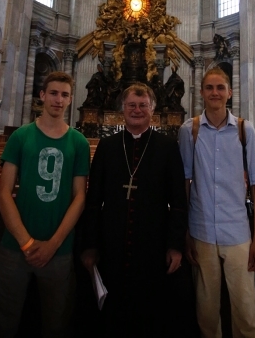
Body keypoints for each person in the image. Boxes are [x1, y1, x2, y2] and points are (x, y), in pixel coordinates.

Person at [0, 71, 90, 338]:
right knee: (2, 320)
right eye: (53, 93)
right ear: (42, 95)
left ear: (70, 100)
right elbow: (4, 192)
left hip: (59, 249)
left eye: (65, 95)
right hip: (15, 246)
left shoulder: (78, 142)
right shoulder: (20, 136)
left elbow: (79, 197)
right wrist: (27, 243)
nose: (59, 99)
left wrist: (53, 244)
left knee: (57, 323)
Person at [81, 82, 189, 337]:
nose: (137, 110)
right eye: (132, 105)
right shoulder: (107, 147)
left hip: (153, 245)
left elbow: (178, 200)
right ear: (123, 109)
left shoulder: (167, 147)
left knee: (150, 314)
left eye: (143, 106)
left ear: (152, 109)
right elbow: (93, 199)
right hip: (112, 246)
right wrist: (90, 245)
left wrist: (175, 245)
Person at [178, 67, 255, 338]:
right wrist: (186, 232)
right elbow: (185, 183)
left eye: (220, 88)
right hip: (201, 230)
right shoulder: (188, 130)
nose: (215, 93)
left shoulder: (244, 129)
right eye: (209, 88)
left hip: (237, 231)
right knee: (206, 312)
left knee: (246, 311)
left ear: (229, 92)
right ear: (202, 92)